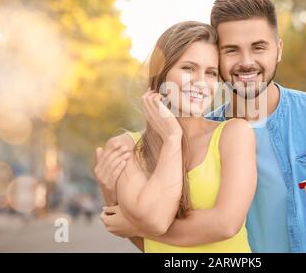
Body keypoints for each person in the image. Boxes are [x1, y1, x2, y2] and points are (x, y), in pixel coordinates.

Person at [98, 0, 306, 252]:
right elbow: (166, 246)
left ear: (278, 49)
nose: (246, 62)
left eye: (259, 47)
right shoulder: (201, 134)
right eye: (231, 50)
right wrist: (123, 203)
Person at [94, 21, 257, 252]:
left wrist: (134, 225)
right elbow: (153, 227)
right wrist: (172, 138)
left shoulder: (234, 134)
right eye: (188, 68)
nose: (201, 83)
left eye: (210, 73)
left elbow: (226, 224)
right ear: (162, 73)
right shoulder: (126, 147)